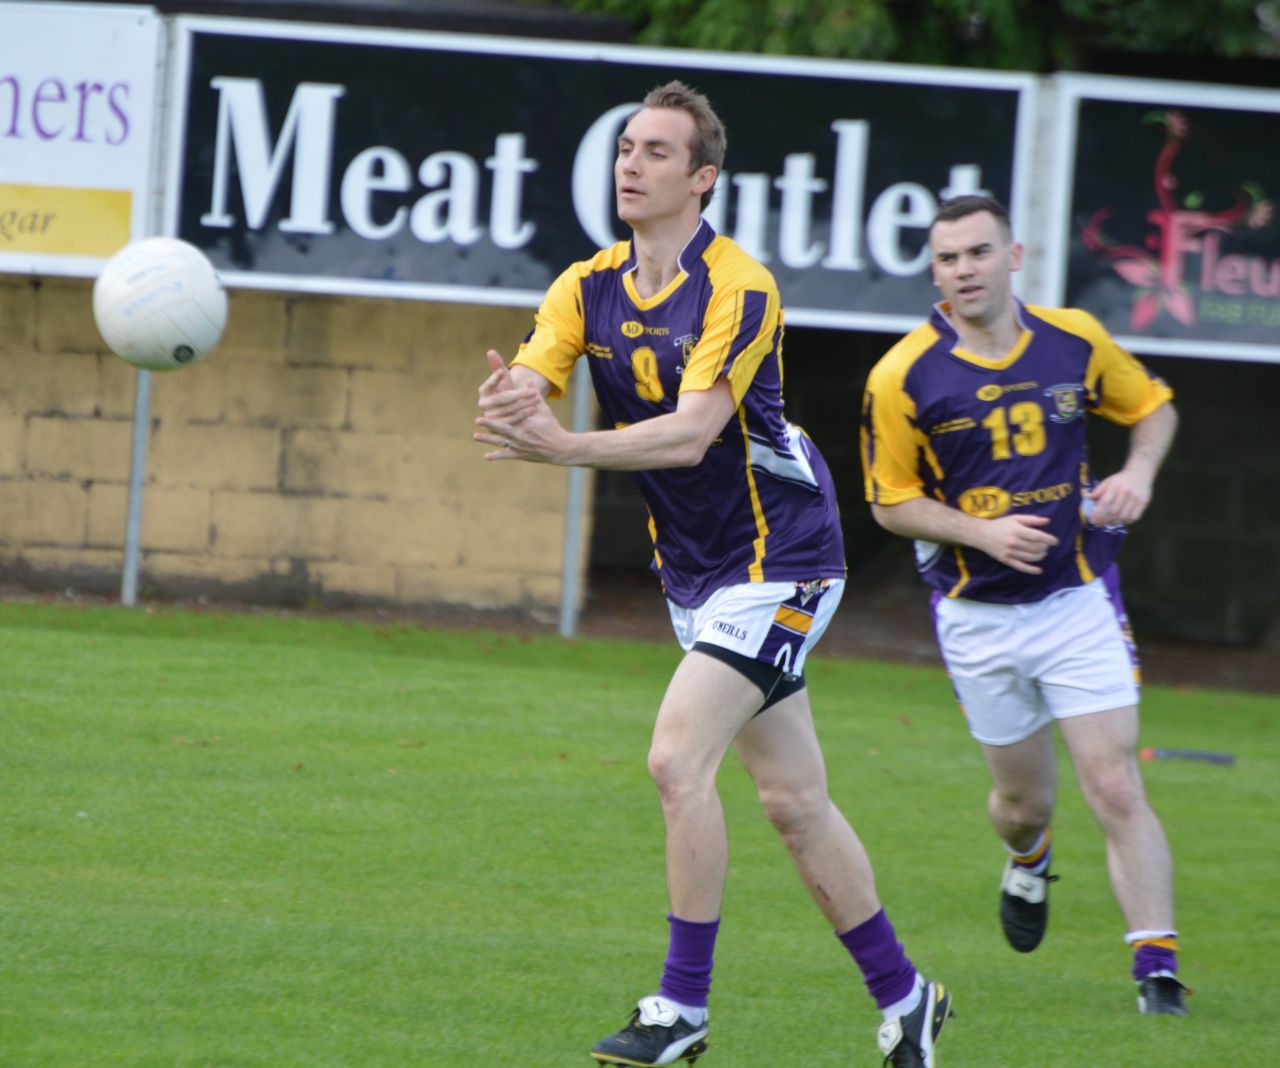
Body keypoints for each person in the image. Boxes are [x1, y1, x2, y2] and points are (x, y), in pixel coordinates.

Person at [474, 81, 952, 1067]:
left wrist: (559, 448)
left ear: (701, 179)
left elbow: (693, 436)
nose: (629, 164)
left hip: (783, 560)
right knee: (791, 802)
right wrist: (514, 396)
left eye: (655, 152)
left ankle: (678, 1010)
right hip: (695, 574)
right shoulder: (585, 284)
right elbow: (536, 368)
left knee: (672, 759)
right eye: (625, 148)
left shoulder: (738, 284)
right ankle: (906, 999)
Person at [861, 194, 1186, 1016]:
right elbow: (889, 502)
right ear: (934, 270)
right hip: (977, 615)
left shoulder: (1074, 338)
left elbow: (1153, 409)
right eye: (946, 258)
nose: (963, 269)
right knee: (1021, 802)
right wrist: (982, 532)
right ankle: (1030, 854)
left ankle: (1157, 967)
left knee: (1113, 783)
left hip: (1079, 597)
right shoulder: (902, 375)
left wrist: (1138, 475)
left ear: (1014, 255)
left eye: (977, 252)